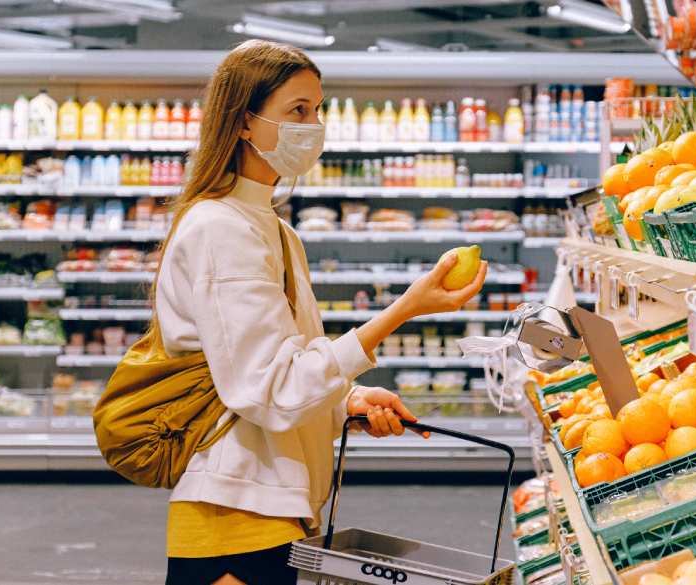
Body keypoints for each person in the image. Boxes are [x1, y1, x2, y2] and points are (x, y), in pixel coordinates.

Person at [154, 40, 487, 585]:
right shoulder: (221, 229)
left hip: (273, 506)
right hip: (236, 512)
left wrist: (343, 401)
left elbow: (279, 369)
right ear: (243, 122)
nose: (314, 126)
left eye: (319, 109)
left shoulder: (272, 229)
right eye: (298, 111)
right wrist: (404, 309)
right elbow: (270, 388)